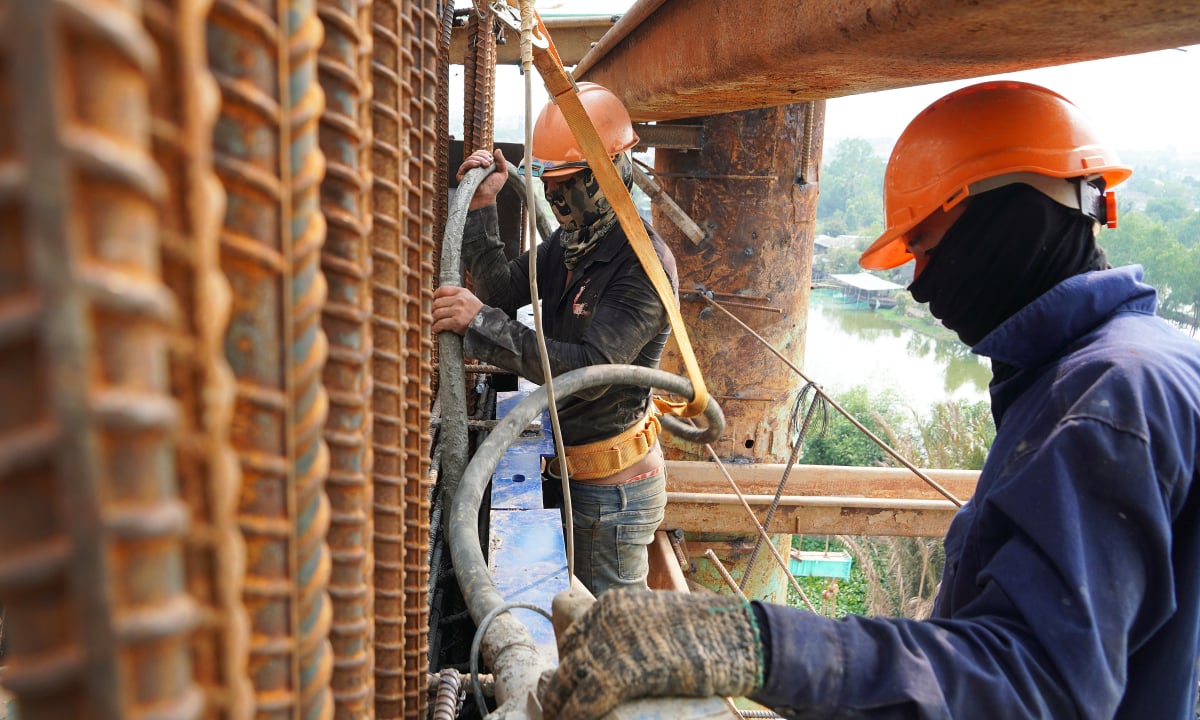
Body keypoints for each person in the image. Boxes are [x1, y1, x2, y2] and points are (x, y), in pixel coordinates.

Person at [537, 80, 1200, 719]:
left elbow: (1031, 688)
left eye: (929, 245)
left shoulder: (1110, 400)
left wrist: (752, 643)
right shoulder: (1090, 375)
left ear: (1011, 213)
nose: (920, 285)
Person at [431, 82, 678, 596]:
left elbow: (588, 374)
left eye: (572, 183)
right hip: (577, 472)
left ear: (612, 171)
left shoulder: (641, 265)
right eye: (553, 184)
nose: (560, 199)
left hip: (614, 494)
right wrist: (481, 208)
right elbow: (501, 289)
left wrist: (481, 324)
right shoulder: (575, 245)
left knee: (611, 640)